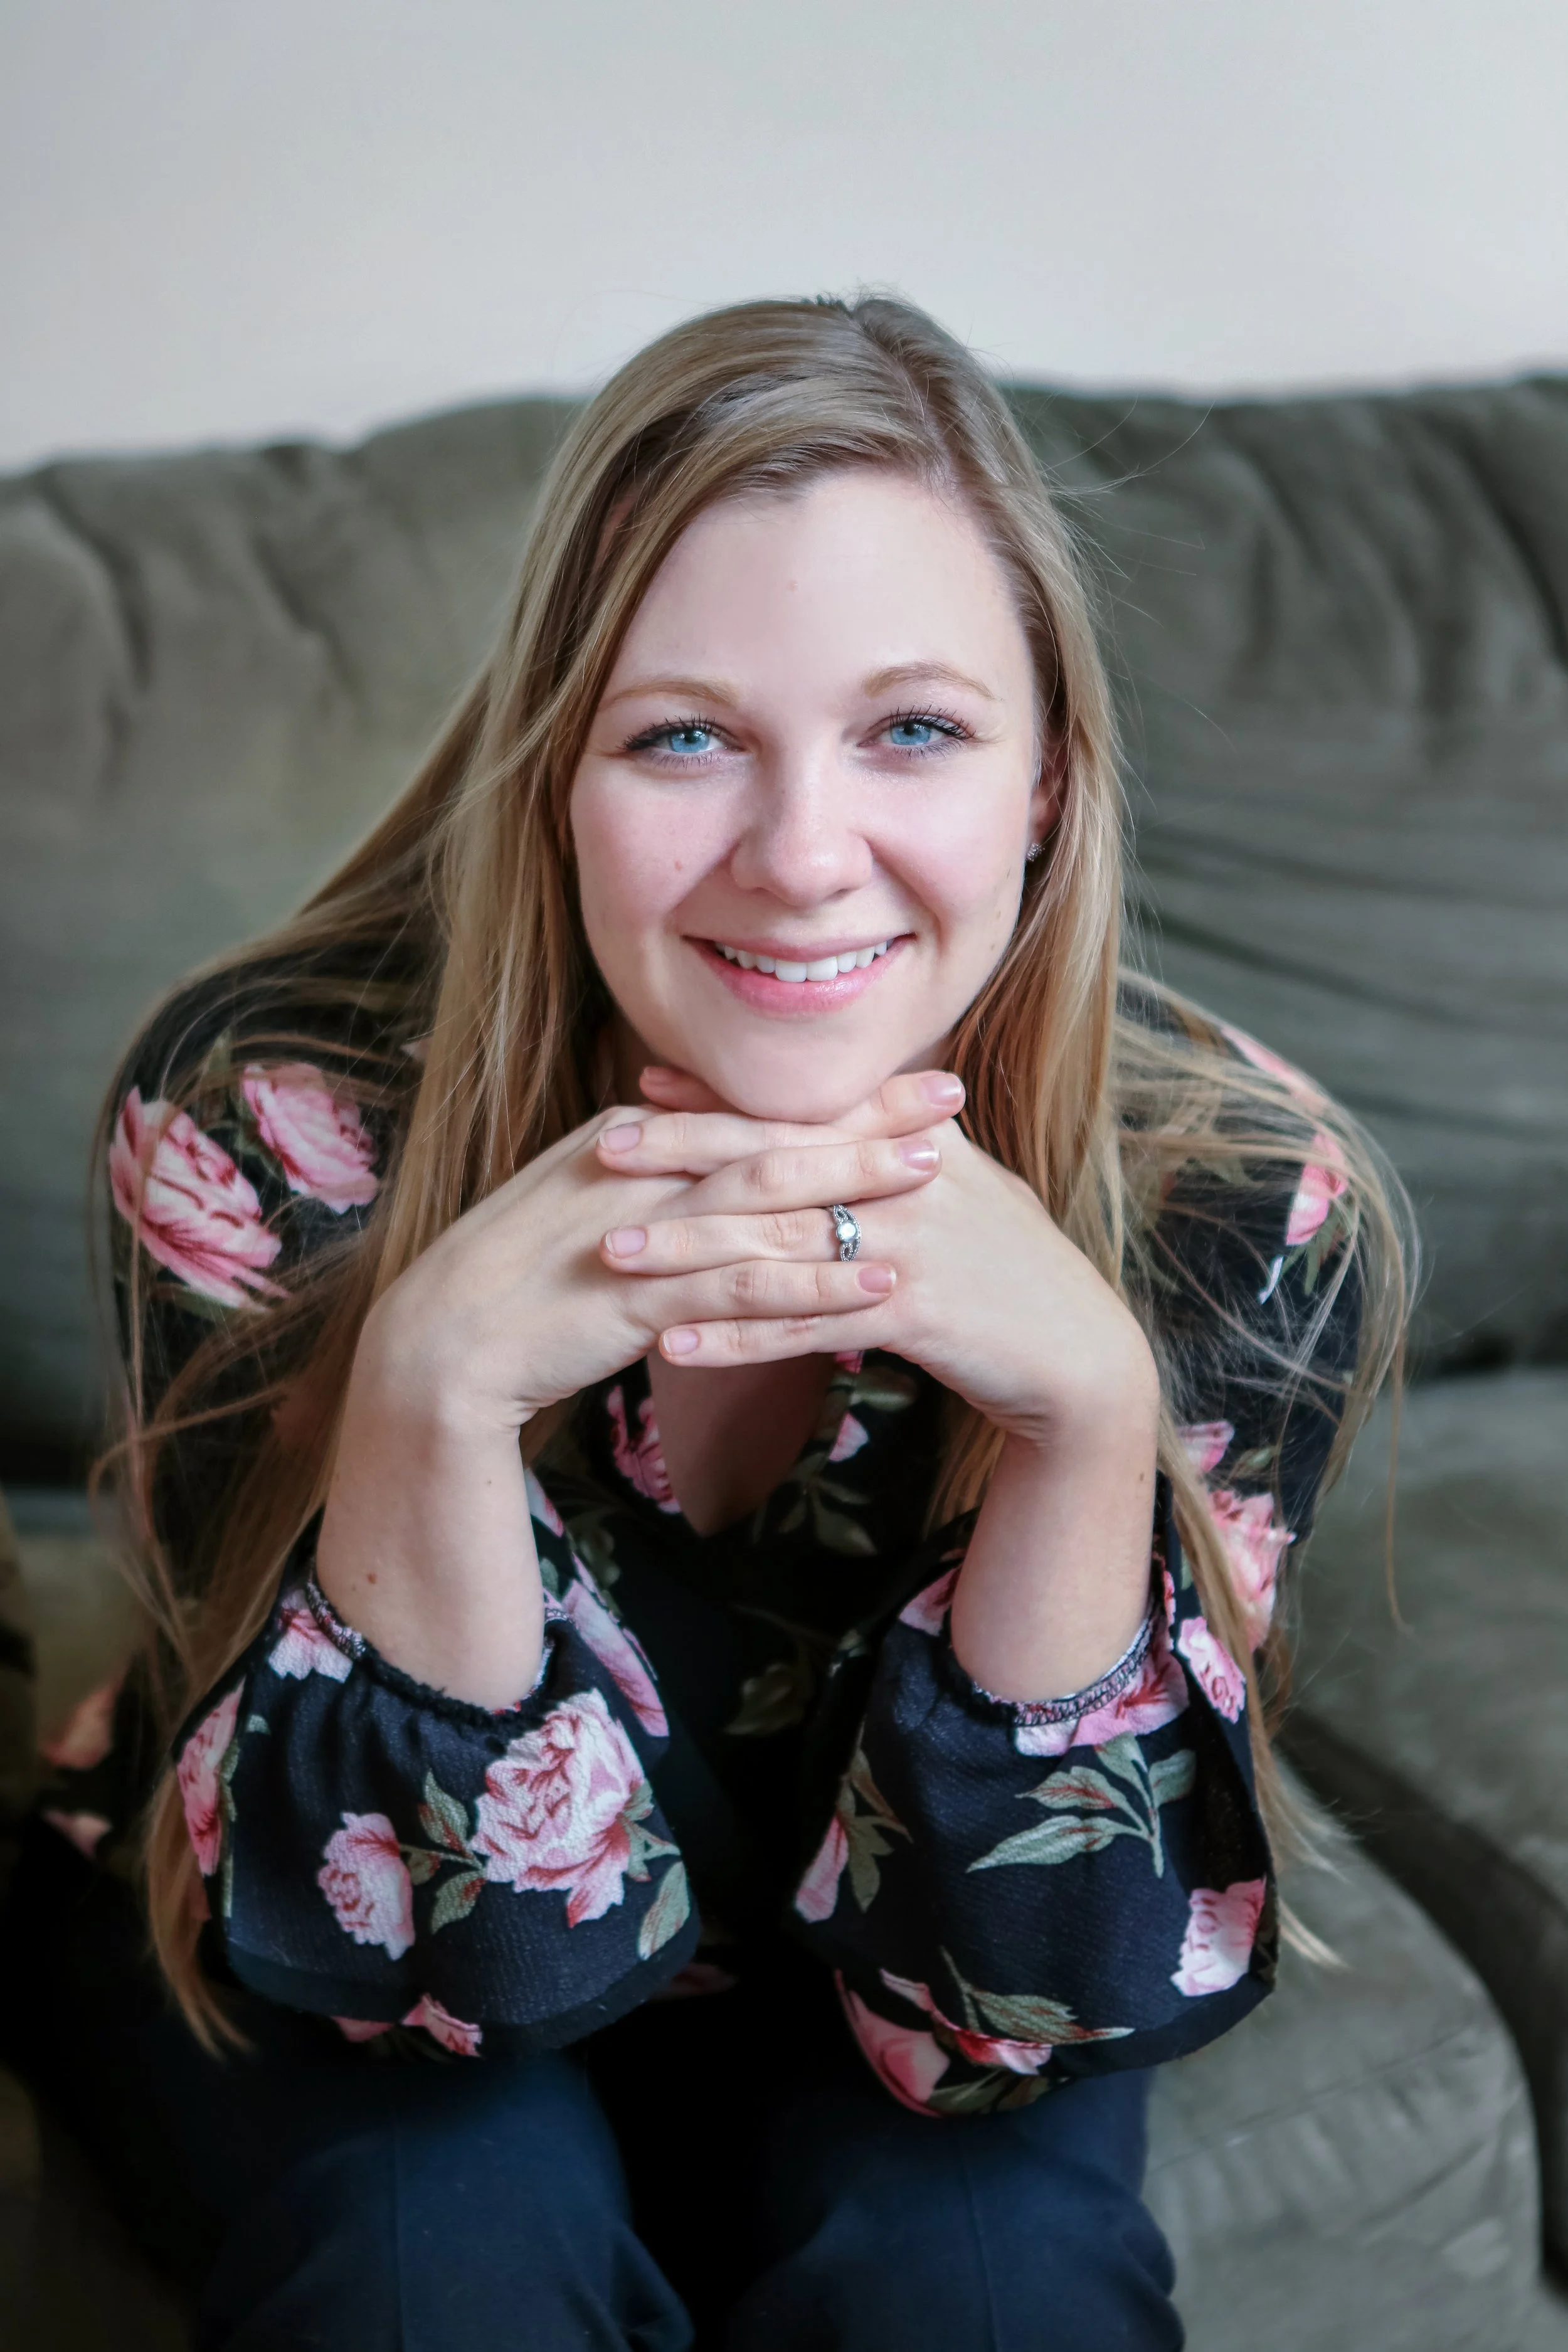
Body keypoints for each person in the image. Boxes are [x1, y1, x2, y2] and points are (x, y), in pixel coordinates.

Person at [10, 295, 1409, 2351]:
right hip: (336, 1967)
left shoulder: (1234, 1203)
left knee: (990, 2271)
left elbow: (1017, 2016)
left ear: (1045, 782)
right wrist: (426, 1390)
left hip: (906, 1985)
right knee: (440, 2232)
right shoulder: (268, 1118)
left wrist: (1090, 1418)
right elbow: (431, 2000)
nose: (800, 857)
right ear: (555, 771)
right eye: (683, 735)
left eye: (913, 728)